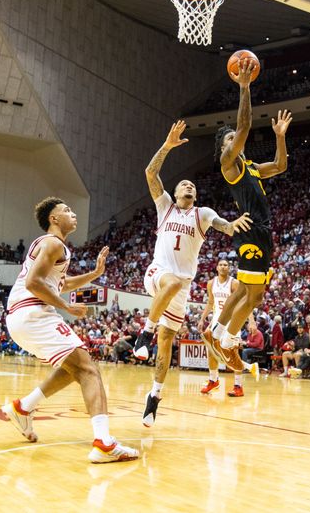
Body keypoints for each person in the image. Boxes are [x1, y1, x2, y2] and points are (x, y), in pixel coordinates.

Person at [133, 121, 254, 427]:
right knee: (170, 282)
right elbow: (150, 173)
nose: (189, 186)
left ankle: (155, 396)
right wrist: (168, 146)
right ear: (174, 193)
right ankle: (144, 332)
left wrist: (234, 225)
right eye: (184, 184)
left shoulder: (203, 214)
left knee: (166, 343)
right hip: (158, 274)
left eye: (193, 186)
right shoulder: (165, 207)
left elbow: (223, 226)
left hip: (180, 289)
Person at [1, 197, 139, 463]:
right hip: (33, 312)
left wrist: (94, 274)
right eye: (67, 211)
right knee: (88, 369)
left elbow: (58, 284)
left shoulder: (53, 247)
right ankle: (104, 443)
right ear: (54, 219)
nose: (73, 214)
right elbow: (34, 283)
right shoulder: (53, 243)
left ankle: (23, 407)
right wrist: (66, 307)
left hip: (22, 317)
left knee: (74, 368)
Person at [206, 57, 293, 355]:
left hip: (260, 231)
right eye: (230, 139)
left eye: (235, 139)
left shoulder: (252, 167)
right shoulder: (228, 163)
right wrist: (244, 88)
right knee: (254, 299)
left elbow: (280, 165)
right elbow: (243, 125)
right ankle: (227, 338)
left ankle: (215, 330)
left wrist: (280, 137)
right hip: (253, 231)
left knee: (245, 291)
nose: (236, 141)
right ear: (224, 147)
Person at [198, 259, 248, 397]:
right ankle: (213, 380)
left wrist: (251, 321)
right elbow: (210, 302)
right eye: (220, 264)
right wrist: (202, 319)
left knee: (233, 352)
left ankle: (238, 386)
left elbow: (245, 303)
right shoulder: (211, 283)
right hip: (216, 321)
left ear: (229, 268)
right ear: (216, 267)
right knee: (211, 351)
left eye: (225, 265)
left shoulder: (234, 283)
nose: (223, 267)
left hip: (232, 321)